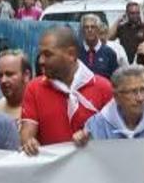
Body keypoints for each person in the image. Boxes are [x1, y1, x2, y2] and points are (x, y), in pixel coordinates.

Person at [20, 27, 113, 155]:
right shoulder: (34, 88)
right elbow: (27, 134)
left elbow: (116, 136)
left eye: (48, 55)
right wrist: (29, 143)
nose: (41, 61)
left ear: (71, 54)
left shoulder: (103, 88)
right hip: (53, 172)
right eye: (40, 54)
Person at [0, 49, 32, 123]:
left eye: (9, 74)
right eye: (0, 75)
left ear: (26, 75)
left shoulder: (37, 108)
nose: (3, 80)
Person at [80, 14, 119, 79]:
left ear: (98, 29)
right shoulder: (77, 52)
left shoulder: (109, 53)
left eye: (93, 27)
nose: (89, 30)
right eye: (86, 27)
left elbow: (115, 79)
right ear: (82, 30)